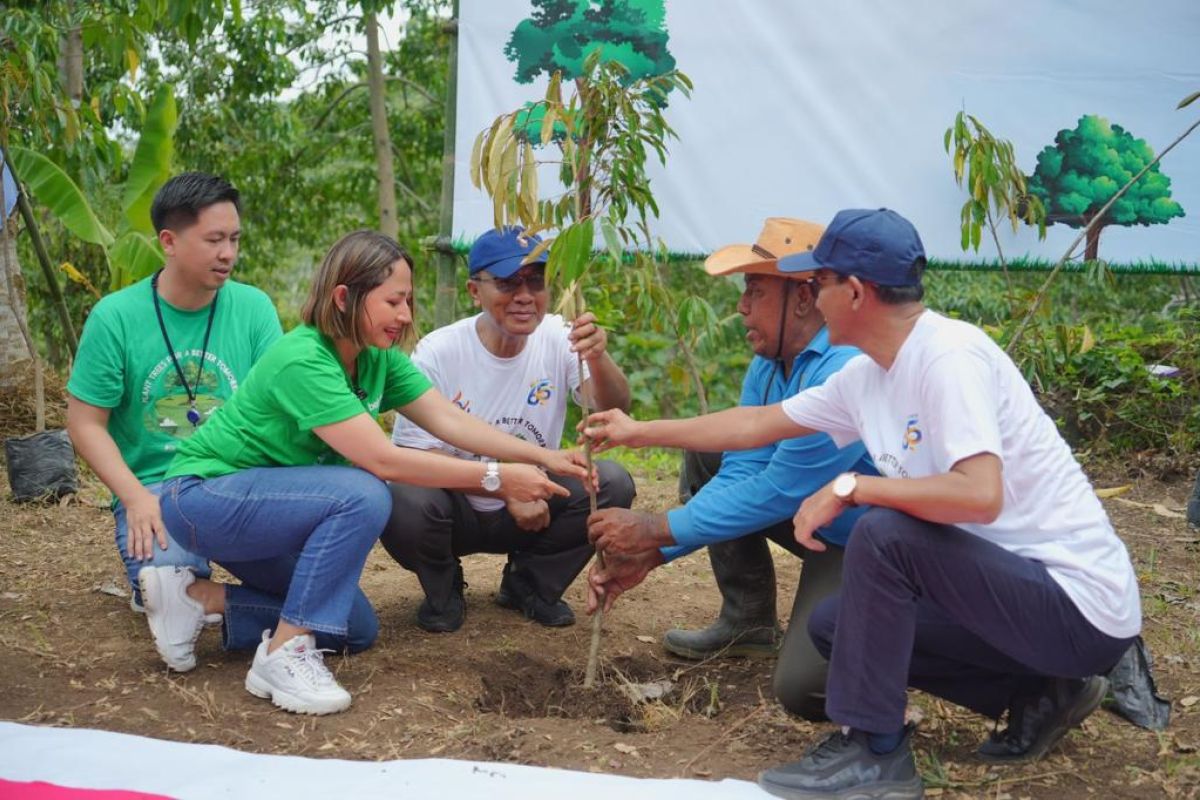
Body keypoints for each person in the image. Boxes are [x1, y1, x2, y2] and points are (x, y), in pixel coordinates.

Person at [583, 209, 1141, 800]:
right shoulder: (870, 375)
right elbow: (756, 425)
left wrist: (857, 487)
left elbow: (980, 494)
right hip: (1004, 597)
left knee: (882, 530)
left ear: (854, 291)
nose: (813, 301)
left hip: (1078, 608)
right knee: (834, 625)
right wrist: (636, 430)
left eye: (818, 284)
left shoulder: (947, 358)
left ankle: (876, 753)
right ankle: (1039, 692)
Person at [155, 229, 587, 715]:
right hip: (203, 500)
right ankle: (282, 653)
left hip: (267, 513)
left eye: (408, 301)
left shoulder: (375, 360)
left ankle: (197, 599)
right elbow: (382, 460)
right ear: (344, 297)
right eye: (393, 302)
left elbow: (450, 421)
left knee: (353, 628)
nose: (405, 316)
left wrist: (541, 458)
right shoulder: (303, 360)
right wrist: (496, 478)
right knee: (364, 491)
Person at [584, 218, 875, 720]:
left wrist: (653, 530)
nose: (741, 306)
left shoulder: (846, 364)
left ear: (803, 299)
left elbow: (779, 490)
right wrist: (654, 553)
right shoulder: (772, 359)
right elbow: (743, 470)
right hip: (812, 512)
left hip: (863, 537)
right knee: (709, 453)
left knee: (803, 687)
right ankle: (749, 621)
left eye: (755, 291)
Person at [383, 226, 635, 632]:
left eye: (535, 281)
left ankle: (529, 584)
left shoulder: (559, 336)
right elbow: (412, 458)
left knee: (610, 482)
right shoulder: (439, 351)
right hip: (456, 507)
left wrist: (598, 357)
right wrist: (500, 484)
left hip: (536, 502)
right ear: (473, 291)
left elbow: (614, 407)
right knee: (405, 498)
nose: (523, 296)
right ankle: (443, 587)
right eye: (506, 283)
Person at [66, 172, 281, 621]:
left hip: (238, 483)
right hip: (157, 490)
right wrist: (135, 498)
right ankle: (184, 592)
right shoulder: (115, 318)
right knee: (172, 583)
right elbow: (85, 423)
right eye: (214, 239)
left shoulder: (254, 308)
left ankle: (213, 601)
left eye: (235, 239)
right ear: (169, 241)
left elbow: (276, 408)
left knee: (321, 586)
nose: (228, 253)